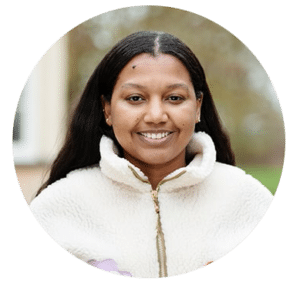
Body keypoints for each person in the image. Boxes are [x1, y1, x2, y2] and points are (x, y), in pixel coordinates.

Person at [29, 31, 274, 279]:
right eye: (135, 98)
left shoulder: (250, 203)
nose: (156, 115)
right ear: (107, 109)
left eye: (174, 98)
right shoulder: (57, 210)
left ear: (198, 107)